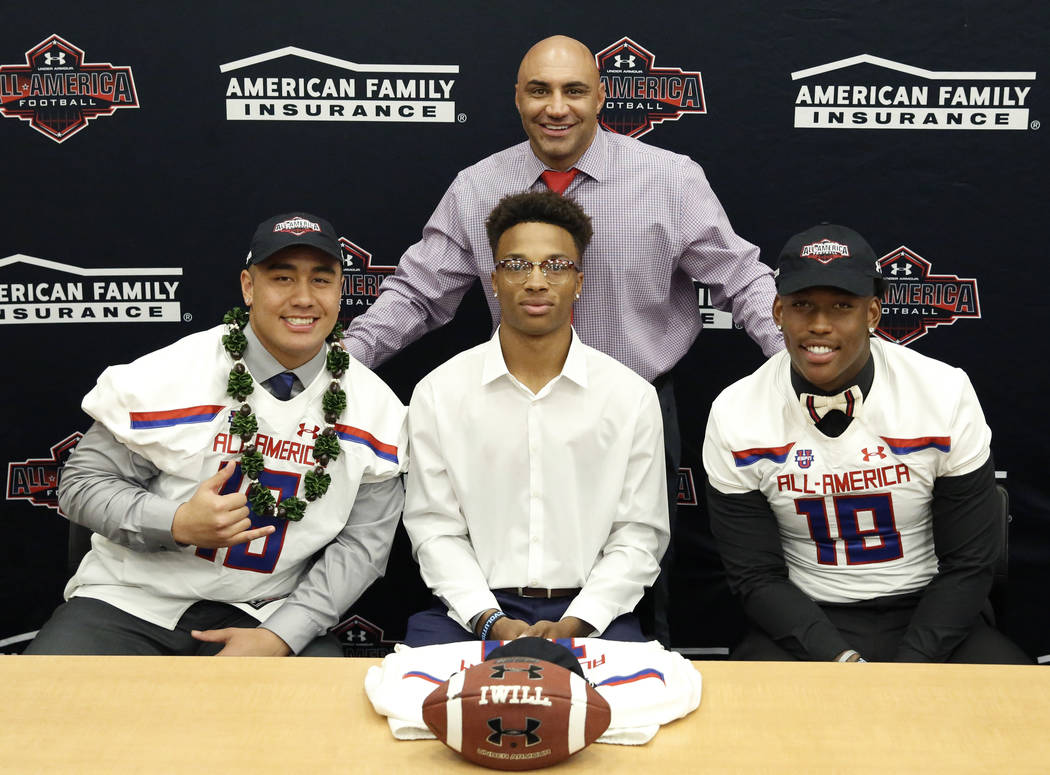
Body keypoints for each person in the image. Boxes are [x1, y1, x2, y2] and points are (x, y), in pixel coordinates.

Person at [345, 34, 781, 643]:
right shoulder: (478, 187)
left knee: (638, 583)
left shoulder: (669, 179)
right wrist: (335, 371)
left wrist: (798, 364)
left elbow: (740, 276)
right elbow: (417, 292)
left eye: (574, 90)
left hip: (634, 406)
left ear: (602, 98)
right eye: (539, 90)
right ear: (517, 99)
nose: (557, 107)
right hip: (509, 397)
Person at [27, 213, 408, 657]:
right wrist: (177, 522)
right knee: (44, 714)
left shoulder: (375, 406)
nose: (304, 298)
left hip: (267, 610)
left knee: (311, 722)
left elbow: (362, 547)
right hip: (131, 602)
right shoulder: (172, 373)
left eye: (321, 281)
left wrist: (283, 633)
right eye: (282, 278)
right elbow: (80, 485)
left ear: (340, 290)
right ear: (249, 286)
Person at [702, 224, 1031, 663]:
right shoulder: (736, 411)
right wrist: (840, 660)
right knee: (741, 722)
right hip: (806, 621)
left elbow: (970, 564)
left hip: (930, 612)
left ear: (873, 314)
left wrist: (908, 667)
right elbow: (756, 576)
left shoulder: (942, 392)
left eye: (842, 306)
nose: (819, 325)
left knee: (1020, 714)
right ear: (778, 311)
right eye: (802, 305)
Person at [401, 191, 669, 646]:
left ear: (579, 282)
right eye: (518, 265)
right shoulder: (439, 393)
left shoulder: (631, 398)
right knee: (413, 709)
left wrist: (577, 623)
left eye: (556, 265)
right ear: (494, 280)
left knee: (635, 714)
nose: (537, 281)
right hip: (469, 614)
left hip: (593, 616)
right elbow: (434, 529)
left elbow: (639, 536)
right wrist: (491, 621)